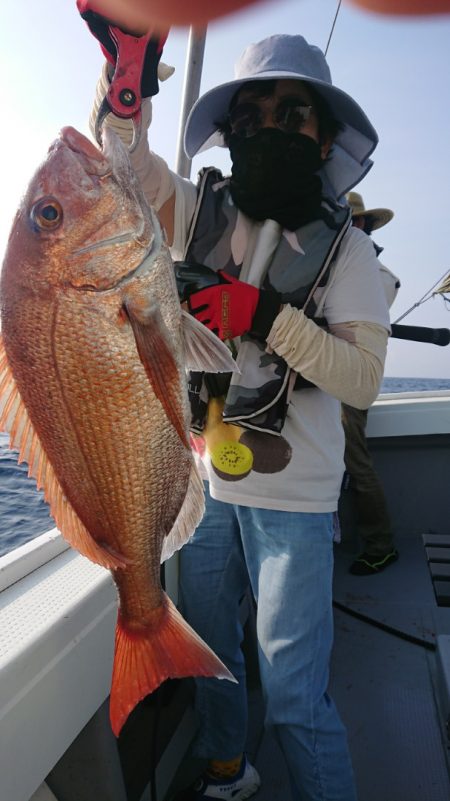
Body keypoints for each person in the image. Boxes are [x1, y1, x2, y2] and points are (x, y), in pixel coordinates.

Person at [86, 26, 391, 801]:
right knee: (214, 650)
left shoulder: (349, 254)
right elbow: (123, 171)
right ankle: (228, 764)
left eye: (294, 116)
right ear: (231, 133)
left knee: (294, 694)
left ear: (324, 137)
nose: (271, 131)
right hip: (206, 482)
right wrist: (125, 86)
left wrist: (265, 313)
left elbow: (361, 381)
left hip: (294, 500)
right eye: (253, 118)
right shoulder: (199, 214)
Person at [340, 191, 400, 576]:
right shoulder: (351, 268)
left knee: (356, 463)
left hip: (348, 383)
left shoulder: (376, 276)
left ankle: (380, 545)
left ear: (361, 225)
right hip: (325, 381)